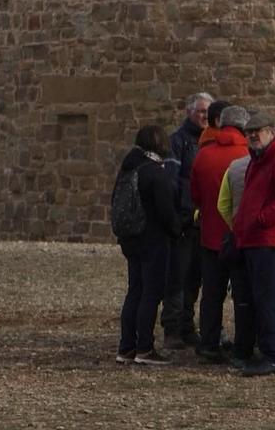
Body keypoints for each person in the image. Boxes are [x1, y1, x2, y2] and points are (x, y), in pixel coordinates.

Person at [232, 110, 275, 377]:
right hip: (253, 239)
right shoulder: (257, 161)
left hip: (267, 240)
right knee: (257, 298)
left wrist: (260, 220)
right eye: (248, 133)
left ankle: (273, 355)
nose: (251, 137)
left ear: (272, 131)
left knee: (267, 298)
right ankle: (266, 350)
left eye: (256, 132)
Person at [114, 124, 186, 365]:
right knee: (151, 293)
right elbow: (166, 211)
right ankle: (144, 348)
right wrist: (177, 230)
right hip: (153, 239)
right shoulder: (155, 172)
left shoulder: (127, 169)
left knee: (134, 290)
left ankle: (126, 347)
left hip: (131, 238)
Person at [190, 104, 250, 361]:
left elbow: (195, 195)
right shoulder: (248, 154)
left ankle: (209, 343)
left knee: (211, 294)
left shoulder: (203, 154)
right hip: (241, 235)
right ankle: (243, 344)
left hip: (211, 235)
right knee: (243, 294)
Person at [161, 92, 211, 346]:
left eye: (207, 112)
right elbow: (171, 180)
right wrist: (177, 217)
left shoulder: (208, 142)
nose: (204, 116)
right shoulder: (178, 142)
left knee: (194, 278)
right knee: (177, 277)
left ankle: (187, 326)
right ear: (189, 112)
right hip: (184, 221)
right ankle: (172, 329)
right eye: (201, 111)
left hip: (202, 222)